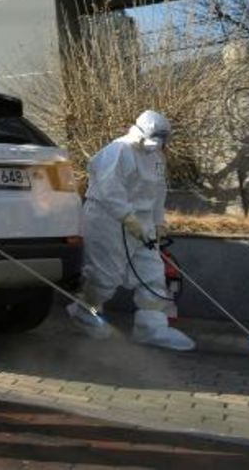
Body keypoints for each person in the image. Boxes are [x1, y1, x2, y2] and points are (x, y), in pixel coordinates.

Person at [66, 111, 195, 352]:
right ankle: (86, 313)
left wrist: (158, 223)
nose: (158, 143)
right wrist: (127, 218)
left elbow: (157, 192)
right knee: (105, 277)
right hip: (108, 218)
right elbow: (109, 189)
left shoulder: (157, 156)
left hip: (142, 221)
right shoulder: (119, 151)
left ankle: (151, 328)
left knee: (153, 274)